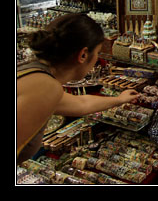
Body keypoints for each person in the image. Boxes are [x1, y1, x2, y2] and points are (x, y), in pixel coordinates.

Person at [17, 13, 140, 164]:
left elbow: (81, 104)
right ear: (83, 55)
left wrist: (119, 99)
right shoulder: (46, 87)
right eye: (97, 53)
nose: (97, 59)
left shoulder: (38, 75)